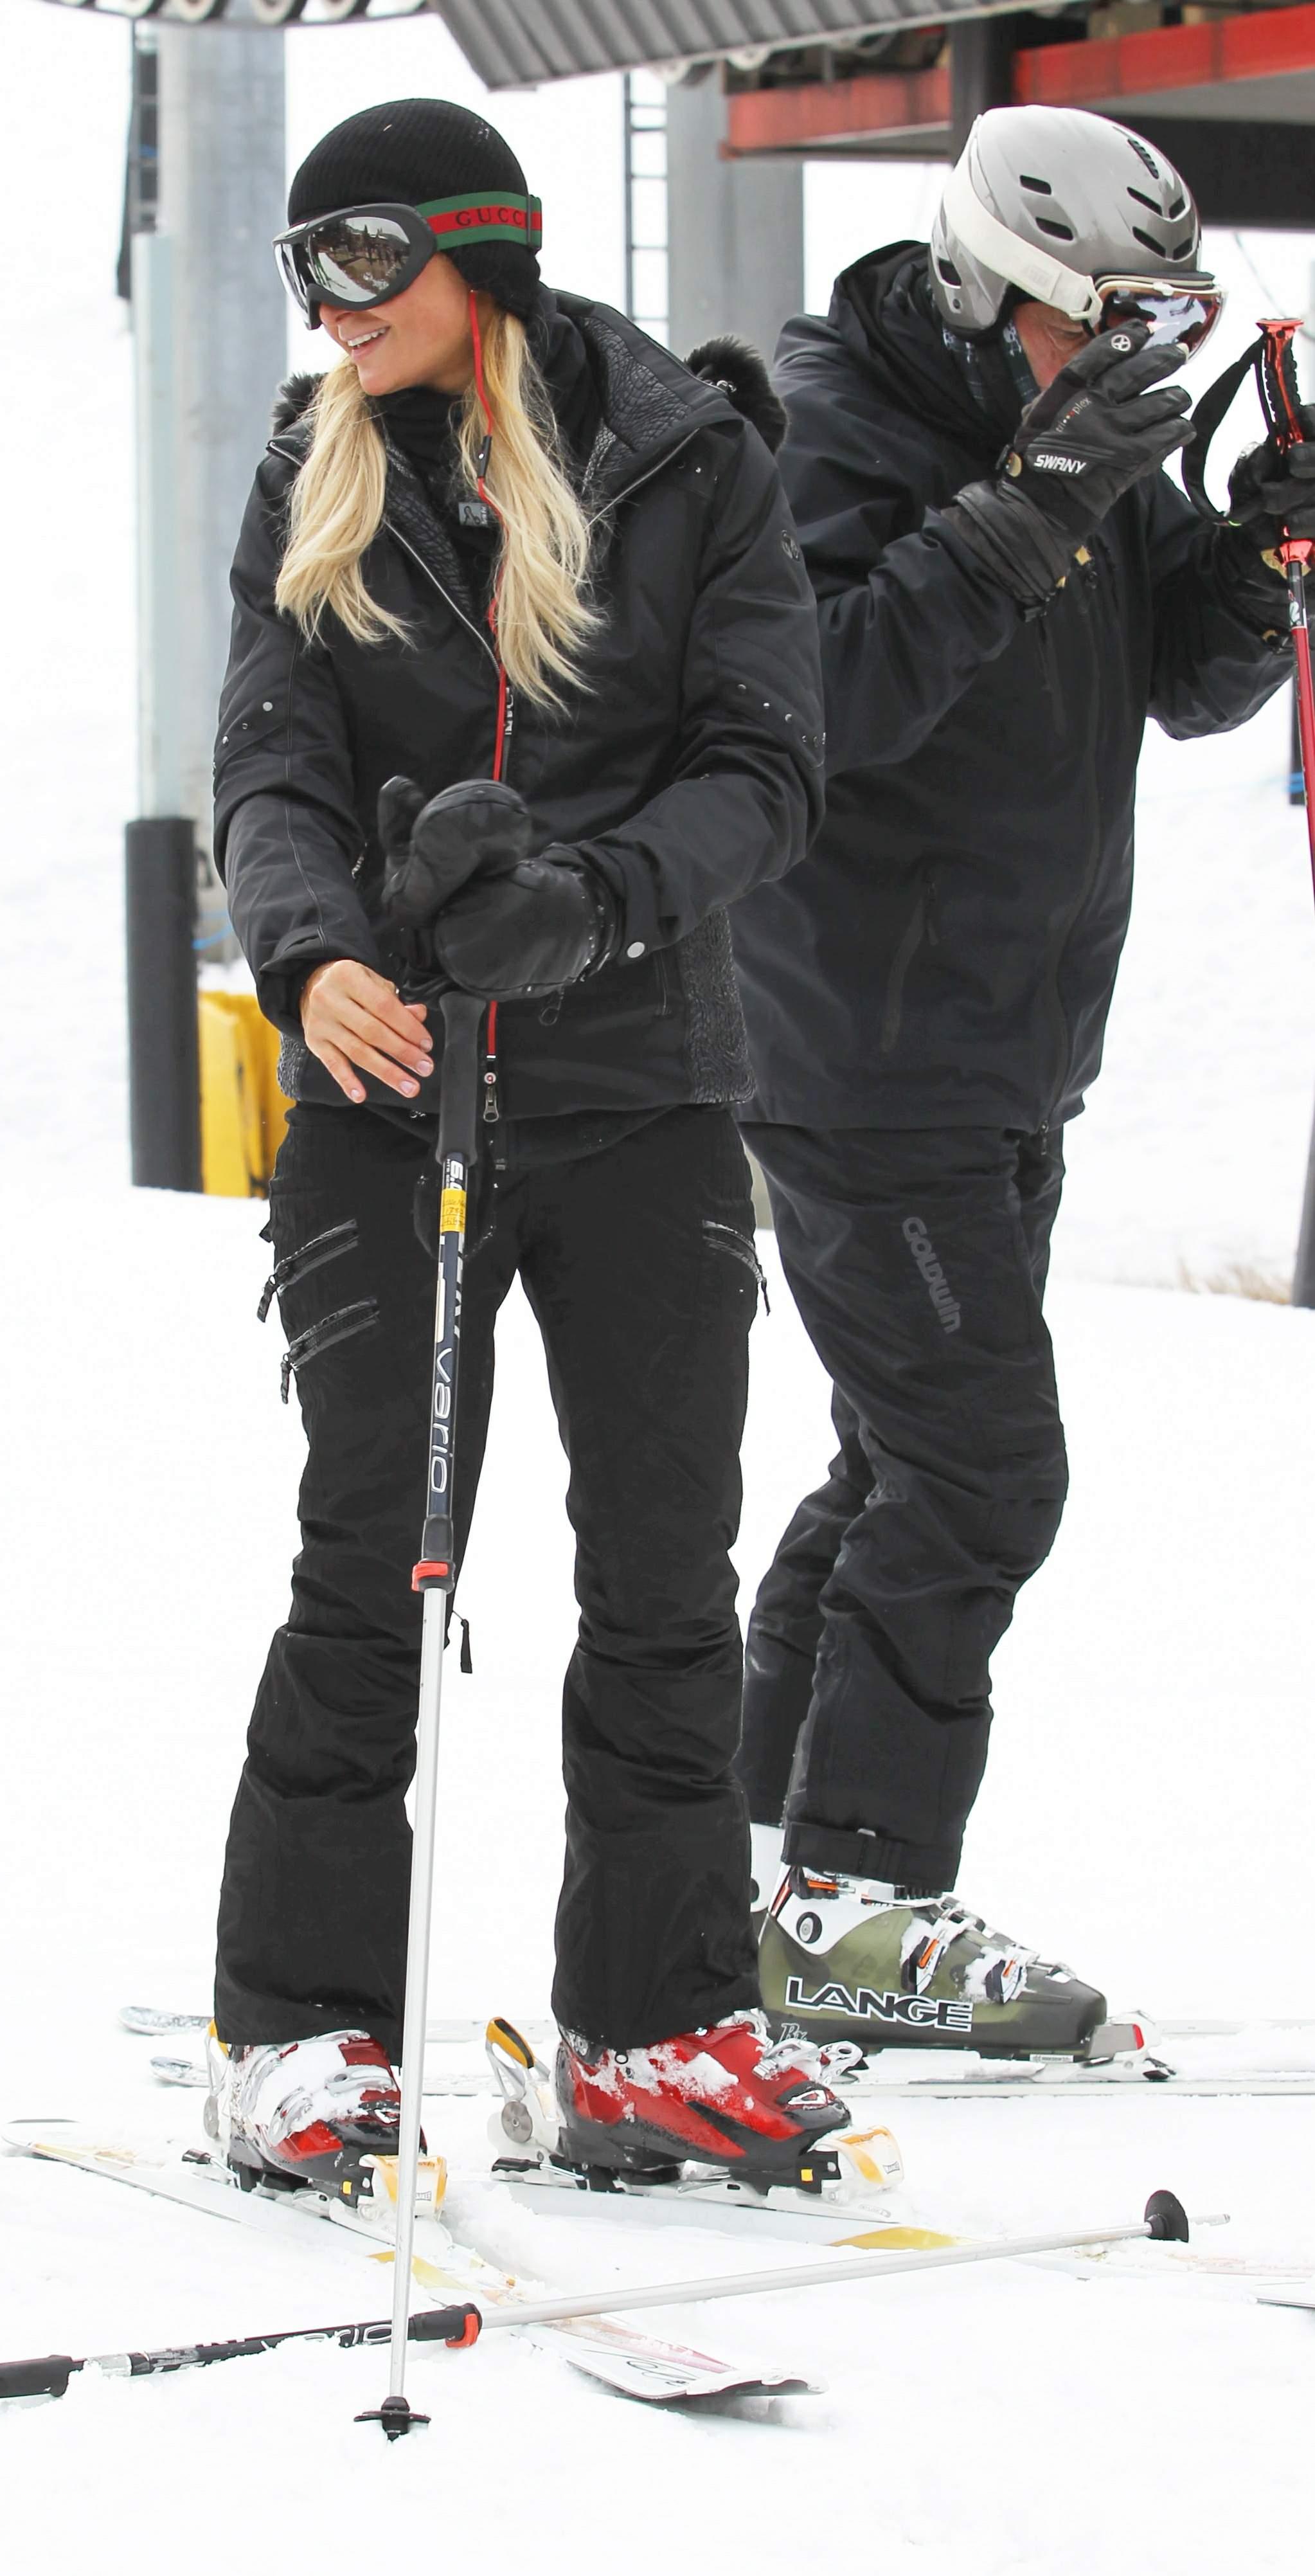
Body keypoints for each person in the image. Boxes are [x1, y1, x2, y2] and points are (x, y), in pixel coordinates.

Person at [208, 97, 838, 2196]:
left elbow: (769, 767)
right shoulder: (316, 465)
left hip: (644, 1093)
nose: (329, 308)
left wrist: (597, 900)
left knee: (663, 1573)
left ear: (484, 251)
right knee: (378, 1551)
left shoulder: (687, 462)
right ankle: (296, 2031)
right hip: (395, 1100)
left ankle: (654, 2025)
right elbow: (273, 769)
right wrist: (308, 962)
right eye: (306, 269)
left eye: (364, 262)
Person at [728, 105, 1303, 2058]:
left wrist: (1260, 542)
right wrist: (1043, 496)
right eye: (1104, 326)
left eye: (1164, 329)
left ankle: (750, 1848)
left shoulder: (1080, 423)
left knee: (902, 1459)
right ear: (989, 288)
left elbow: (1182, 681)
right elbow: (831, 705)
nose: (1131, 363)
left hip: (1008, 1047)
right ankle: (857, 1893)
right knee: (982, 1470)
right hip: (860, 1046)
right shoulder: (822, 429)